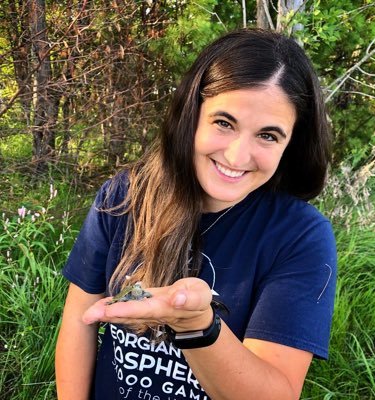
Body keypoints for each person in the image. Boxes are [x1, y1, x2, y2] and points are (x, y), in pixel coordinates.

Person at [55, 28, 337, 400]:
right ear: (192, 113)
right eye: (224, 123)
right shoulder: (124, 197)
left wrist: (197, 326)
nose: (237, 157)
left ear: (291, 144)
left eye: (268, 135)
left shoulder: (299, 236)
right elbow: (80, 320)